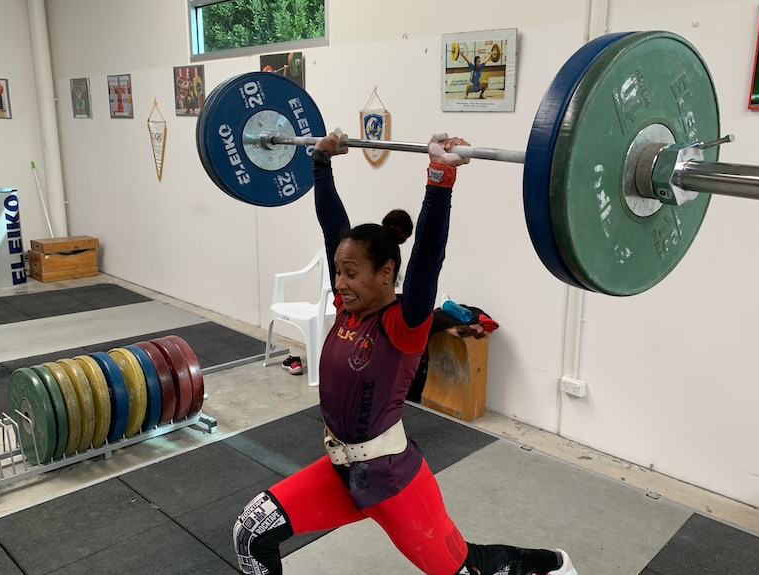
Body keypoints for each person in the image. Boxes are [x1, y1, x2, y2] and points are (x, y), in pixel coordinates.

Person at [232, 132, 577, 575]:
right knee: (250, 533)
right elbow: (332, 228)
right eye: (338, 271)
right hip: (342, 474)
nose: (339, 283)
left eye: (351, 273)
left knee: (465, 568)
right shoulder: (347, 310)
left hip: (393, 481)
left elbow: (428, 260)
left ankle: (551, 565)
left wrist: (440, 180)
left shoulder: (402, 324)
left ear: (387, 272)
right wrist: (320, 164)